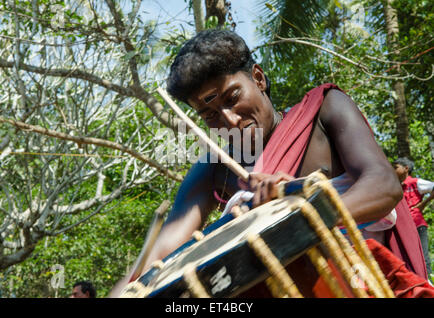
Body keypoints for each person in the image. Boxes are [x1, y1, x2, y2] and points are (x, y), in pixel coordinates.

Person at [115, 29, 431, 297]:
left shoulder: (324, 109)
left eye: (231, 98)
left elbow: (384, 186)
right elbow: (160, 253)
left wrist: (295, 216)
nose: (229, 120)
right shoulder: (213, 167)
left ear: (258, 78)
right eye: (209, 115)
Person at [393, 157, 434, 278]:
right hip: (403, 228)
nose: (393, 170)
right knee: (409, 256)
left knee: (423, 255)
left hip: (417, 224)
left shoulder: (415, 183)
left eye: (395, 167)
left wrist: (422, 204)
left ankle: (428, 282)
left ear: (406, 168)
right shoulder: (397, 188)